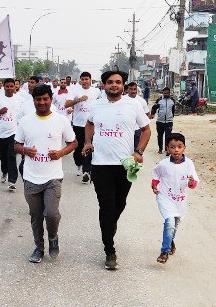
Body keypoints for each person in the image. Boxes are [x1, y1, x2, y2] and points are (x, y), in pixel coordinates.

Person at [83, 70, 151, 270]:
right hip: (101, 165)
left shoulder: (133, 105)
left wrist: (139, 151)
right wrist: (88, 141)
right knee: (106, 207)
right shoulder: (96, 105)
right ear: (103, 85)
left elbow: (146, 130)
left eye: (118, 82)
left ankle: (109, 229)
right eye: (110, 82)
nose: (114, 85)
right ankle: (109, 249)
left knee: (119, 204)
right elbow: (89, 123)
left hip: (125, 165)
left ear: (123, 85)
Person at [15, 84, 77, 263]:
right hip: (31, 177)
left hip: (53, 177)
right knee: (35, 216)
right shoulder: (26, 121)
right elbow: (16, 145)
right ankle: (39, 247)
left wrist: (60, 153)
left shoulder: (60, 120)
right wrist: (25, 150)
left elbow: (73, 143)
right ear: (33, 100)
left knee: (51, 213)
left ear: (51, 99)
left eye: (45, 99)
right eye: (38, 99)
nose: (41, 102)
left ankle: (53, 237)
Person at [151, 133, 199, 264]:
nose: (176, 150)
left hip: (180, 201)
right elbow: (155, 175)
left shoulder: (189, 164)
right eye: (172, 147)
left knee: (174, 226)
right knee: (170, 222)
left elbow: (194, 183)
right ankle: (164, 251)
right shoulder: (164, 164)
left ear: (184, 148)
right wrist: (154, 186)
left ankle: (170, 241)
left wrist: (190, 182)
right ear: (167, 148)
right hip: (165, 197)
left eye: (179, 147)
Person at [0, 78, 24, 191]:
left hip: (14, 131)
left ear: (15, 87)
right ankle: (4, 171)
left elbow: (24, 115)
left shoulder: (20, 99)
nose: (9, 88)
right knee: (3, 156)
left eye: (11, 86)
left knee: (11, 155)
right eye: (7, 86)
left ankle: (12, 180)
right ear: (3, 87)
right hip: (0, 131)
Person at [64, 71, 100, 183]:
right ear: (80, 80)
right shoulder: (75, 90)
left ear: (90, 80)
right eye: (82, 79)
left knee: (89, 146)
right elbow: (66, 104)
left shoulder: (96, 91)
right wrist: (79, 100)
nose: (84, 81)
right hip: (78, 124)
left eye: (86, 79)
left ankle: (86, 171)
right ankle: (79, 164)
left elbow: (101, 103)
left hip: (91, 124)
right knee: (78, 148)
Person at [149, 87, 175, 155]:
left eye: (167, 93)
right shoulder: (159, 100)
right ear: (163, 93)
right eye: (165, 93)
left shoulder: (172, 100)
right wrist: (152, 114)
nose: (166, 94)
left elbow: (173, 110)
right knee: (160, 136)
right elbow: (154, 108)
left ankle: (167, 150)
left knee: (168, 137)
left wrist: (172, 117)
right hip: (160, 122)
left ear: (169, 93)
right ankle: (160, 149)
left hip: (169, 122)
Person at [125, 83, 151, 149]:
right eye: (131, 89)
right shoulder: (122, 100)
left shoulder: (142, 101)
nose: (133, 91)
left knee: (136, 149)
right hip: (125, 129)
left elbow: (147, 114)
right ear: (127, 90)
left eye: (134, 89)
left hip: (137, 130)